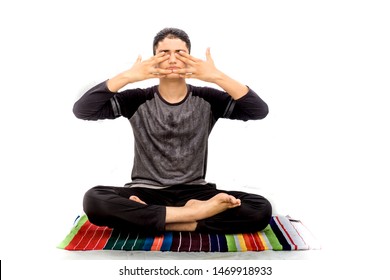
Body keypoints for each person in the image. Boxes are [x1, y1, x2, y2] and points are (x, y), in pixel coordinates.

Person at [73, 27, 272, 234]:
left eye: (180, 53)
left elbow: (258, 110)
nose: (172, 59)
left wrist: (216, 76)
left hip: (196, 192)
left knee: (260, 208)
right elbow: (83, 110)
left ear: (189, 58)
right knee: (94, 199)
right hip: (146, 191)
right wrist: (129, 76)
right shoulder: (136, 100)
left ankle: (153, 218)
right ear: (154, 59)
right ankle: (192, 217)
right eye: (164, 53)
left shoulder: (209, 99)